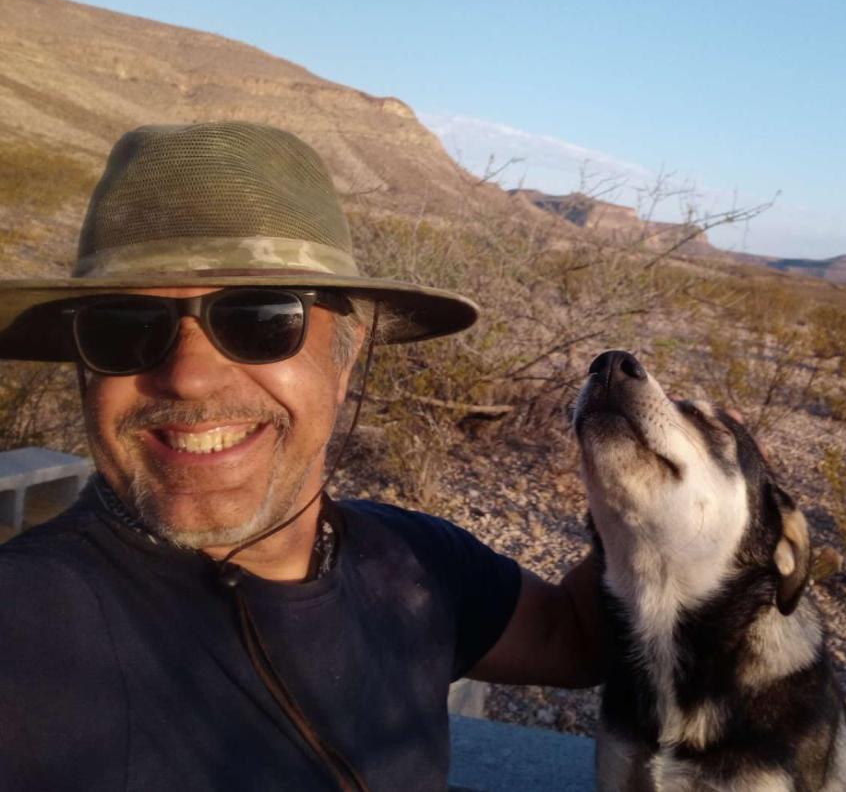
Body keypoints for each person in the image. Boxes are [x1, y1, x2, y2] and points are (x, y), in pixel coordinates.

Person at [0, 122, 601, 791]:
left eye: (260, 319)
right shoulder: (23, 629)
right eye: (121, 327)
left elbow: (580, 637)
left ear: (346, 357)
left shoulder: (420, 565)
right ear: (84, 371)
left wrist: (656, 487)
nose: (188, 377)